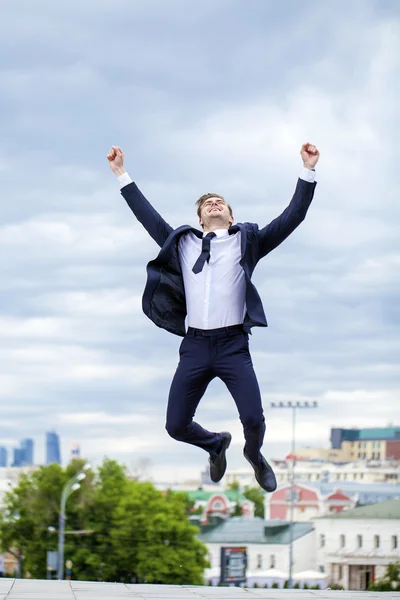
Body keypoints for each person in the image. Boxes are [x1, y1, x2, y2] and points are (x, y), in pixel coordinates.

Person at [106, 143, 319, 491]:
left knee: (253, 418)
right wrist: (121, 174)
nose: (214, 204)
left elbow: (292, 216)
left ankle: (254, 454)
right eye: (207, 204)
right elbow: (149, 217)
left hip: (233, 345)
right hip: (196, 346)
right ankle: (215, 444)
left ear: (230, 217)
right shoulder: (182, 243)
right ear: (200, 219)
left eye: (220, 202)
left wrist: (307, 170)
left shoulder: (247, 243)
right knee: (176, 425)